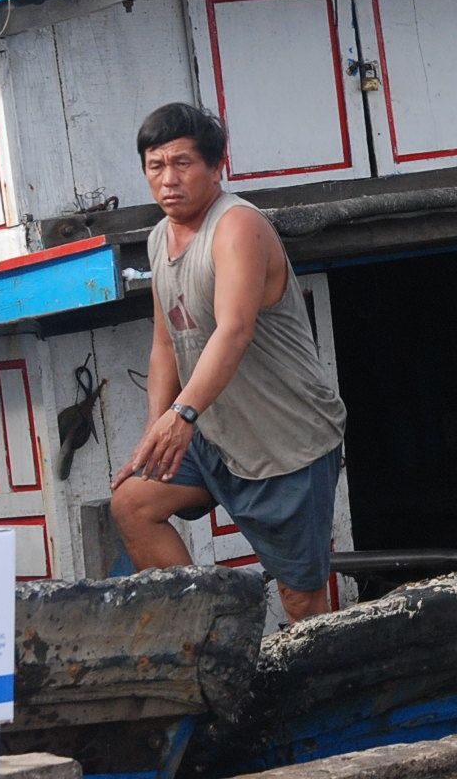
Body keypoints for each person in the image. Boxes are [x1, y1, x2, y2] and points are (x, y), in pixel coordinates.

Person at [111, 103, 348, 622]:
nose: (168, 179)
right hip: (213, 434)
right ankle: (206, 632)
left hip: (284, 443)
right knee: (133, 503)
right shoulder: (158, 238)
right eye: (156, 166)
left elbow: (234, 330)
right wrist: (157, 427)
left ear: (217, 166)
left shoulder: (237, 226)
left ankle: (322, 689)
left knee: (300, 597)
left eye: (182, 163)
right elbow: (164, 343)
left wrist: (183, 415)